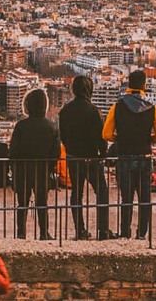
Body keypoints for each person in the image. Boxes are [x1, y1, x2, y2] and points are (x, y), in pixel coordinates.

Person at [102, 70, 156, 240]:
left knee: (126, 197)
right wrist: (149, 138)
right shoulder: (152, 107)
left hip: (125, 156)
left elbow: (106, 134)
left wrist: (121, 137)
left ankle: (125, 232)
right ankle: (141, 233)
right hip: (144, 157)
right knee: (144, 198)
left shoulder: (117, 106)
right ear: (144, 85)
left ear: (128, 84)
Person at [58, 75, 114, 240]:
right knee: (101, 193)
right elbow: (101, 137)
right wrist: (103, 154)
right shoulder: (94, 111)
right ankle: (103, 230)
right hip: (92, 158)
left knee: (76, 193)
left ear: (74, 90)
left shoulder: (65, 111)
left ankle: (80, 230)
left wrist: (70, 150)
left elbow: (64, 137)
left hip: (74, 157)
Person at [9, 89, 60, 240]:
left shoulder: (21, 126)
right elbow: (55, 153)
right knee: (42, 203)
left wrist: (14, 169)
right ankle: (44, 233)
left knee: (22, 203)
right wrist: (49, 167)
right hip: (42, 169)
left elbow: (13, 151)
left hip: (23, 169)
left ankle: (21, 233)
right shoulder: (52, 126)